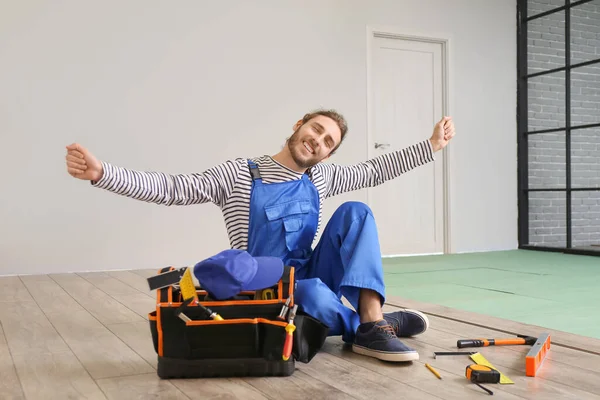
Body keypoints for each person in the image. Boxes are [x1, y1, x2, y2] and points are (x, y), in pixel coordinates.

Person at [65, 109, 455, 362]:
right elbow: (172, 187)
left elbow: (376, 170)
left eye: (327, 142)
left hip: (310, 270)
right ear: (299, 124)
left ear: (328, 155)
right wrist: (103, 174)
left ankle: (371, 320)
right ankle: (374, 327)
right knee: (312, 293)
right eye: (316, 130)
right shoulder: (239, 174)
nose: (318, 141)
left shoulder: (319, 177)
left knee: (358, 212)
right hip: (267, 284)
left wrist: (431, 146)